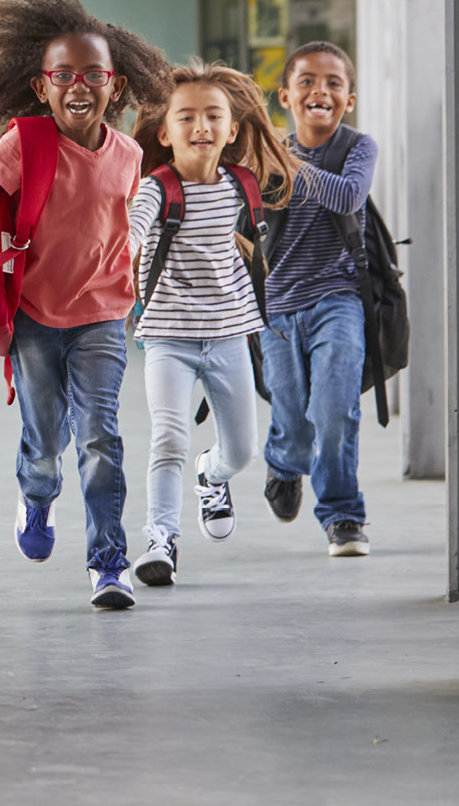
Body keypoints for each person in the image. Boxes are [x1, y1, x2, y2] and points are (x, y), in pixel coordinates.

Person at [0, 0, 170, 610]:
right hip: (37, 317)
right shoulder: (26, 143)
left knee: (101, 435)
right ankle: (37, 497)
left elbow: (127, 225)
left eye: (93, 74)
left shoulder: (129, 155)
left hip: (104, 316)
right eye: (63, 75)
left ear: (115, 85)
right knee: (45, 438)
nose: (79, 85)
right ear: (43, 86)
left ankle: (108, 564)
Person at [126, 64, 304, 586]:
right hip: (167, 338)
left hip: (229, 336)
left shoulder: (241, 186)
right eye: (186, 116)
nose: (200, 125)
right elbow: (135, 224)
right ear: (165, 132)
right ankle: (161, 539)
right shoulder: (157, 189)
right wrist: (125, 244)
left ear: (231, 129)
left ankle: (212, 475)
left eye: (213, 116)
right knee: (168, 438)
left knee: (243, 451)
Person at [258, 41, 377, 556]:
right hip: (278, 303)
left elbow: (348, 196)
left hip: (339, 298)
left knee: (334, 409)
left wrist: (291, 163)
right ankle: (284, 463)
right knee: (290, 412)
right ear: (286, 95)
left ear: (348, 99)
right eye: (306, 81)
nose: (319, 90)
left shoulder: (358, 148)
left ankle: (343, 514)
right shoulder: (266, 154)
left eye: (333, 83)